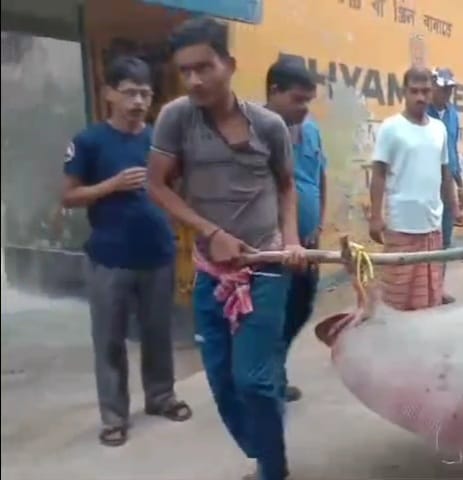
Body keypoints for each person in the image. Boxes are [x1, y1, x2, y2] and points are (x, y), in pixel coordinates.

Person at [146, 18, 306, 480]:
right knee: (220, 378)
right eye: (185, 71)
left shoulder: (269, 125)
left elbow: (286, 185)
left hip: (265, 267)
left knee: (253, 380)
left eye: (204, 67)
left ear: (229, 65)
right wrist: (207, 230)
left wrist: (291, 241)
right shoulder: (177, 118)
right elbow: (157, 185)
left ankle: (272, 470)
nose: (194, 80)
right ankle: (265, 450)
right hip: (211, 271)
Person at [61, 56, 192, 448]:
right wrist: (111, 185)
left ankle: (161, 396)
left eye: (145, 93)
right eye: (130, 92)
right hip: (109, 258)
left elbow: (176, 188)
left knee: (158, 333)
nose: (138, 101)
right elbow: (68, 196)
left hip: (158, 253)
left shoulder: (159, 141)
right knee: (110, 339)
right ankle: (114, 416)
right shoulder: (88, 141)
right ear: (108, 94)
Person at [369, 66, 463, 311]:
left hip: (432, 223)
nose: (420, 97)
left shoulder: (439, 129)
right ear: (404, 92)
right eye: (414, 91)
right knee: (397, 293)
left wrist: (454, 207)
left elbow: (445, 172)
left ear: (431, 92)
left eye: (425, 91)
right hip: (402, 224)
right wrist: (376, 216)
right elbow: (378, 173)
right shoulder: (391, 128)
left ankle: (423, 341)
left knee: (429, 292)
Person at [266, 59, 325, 404]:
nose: (304, 109)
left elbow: (320, 175)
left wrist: (316, 225)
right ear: (274, 91)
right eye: (298, 100)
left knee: (300, 308)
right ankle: (267, 380)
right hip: (272, 246)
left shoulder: (311, 130)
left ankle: (276, 370)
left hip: (307, 243)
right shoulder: (255, 129)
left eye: (308, 101)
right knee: (271, 314)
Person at [427, 67, 463, 305]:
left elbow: (453, 152)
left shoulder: (453, 115)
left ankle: (438, 288)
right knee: (425, 240)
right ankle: (424, 290)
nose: (446, 93)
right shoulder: (423, 113)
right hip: (427, 186)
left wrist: (460, 185)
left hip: (448, 185)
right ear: (433, 86)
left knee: (445, 239)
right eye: (442, 88)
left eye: (450, 88)